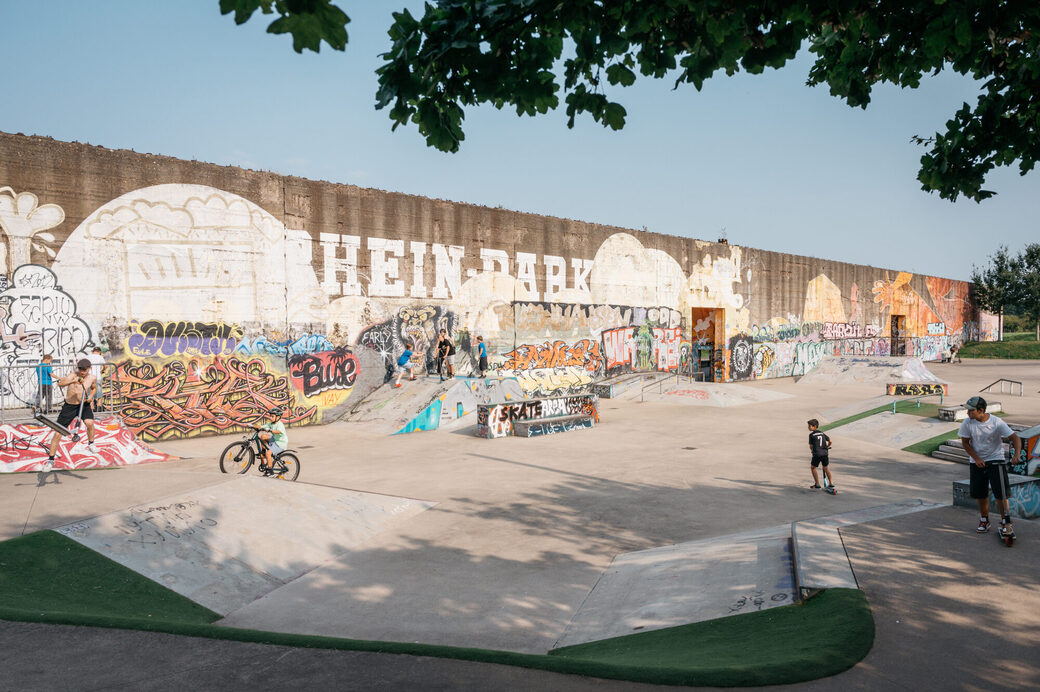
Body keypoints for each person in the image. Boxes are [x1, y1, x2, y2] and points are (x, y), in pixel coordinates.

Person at [960, 396, 1022, 538]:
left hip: (996, 459)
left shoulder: (996, 422)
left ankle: (1005, 521)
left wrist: (1016, 454)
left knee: (1001, 493)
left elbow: (1015, 438)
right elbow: (965, 443)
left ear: (981, 410)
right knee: (980, 493)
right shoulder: (967, 423)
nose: (967, 413)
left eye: (971, 411)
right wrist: (976, 458)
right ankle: (984, 520)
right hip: (977, 461)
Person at [43, 358, 99, 471]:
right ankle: (50, 460)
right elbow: (60, 383)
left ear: (89, 369)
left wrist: (91, 397)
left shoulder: (92, 378)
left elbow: (94, 388)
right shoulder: (72, 375)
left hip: (84, 405)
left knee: (89, 422)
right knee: (58, 433)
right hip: (69, 406)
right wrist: (73, 381)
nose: (82, 372)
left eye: (84, 370)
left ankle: (91, 443)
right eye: (80, 369)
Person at [257, 407, 288, 474]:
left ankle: (270, 471)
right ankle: (263, 452)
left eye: (272, 416)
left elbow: (278, 431)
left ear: (278, 417)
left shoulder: (280, 424)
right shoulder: (271, 424)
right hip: (274, 440)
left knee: (268, 453)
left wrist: (270, 430)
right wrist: (253, 426)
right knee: (263, 436)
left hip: (280, 444)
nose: (270, 418)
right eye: (270, 416)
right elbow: (263, 426)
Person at [807, 419, 834, 490]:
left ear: (814, 426)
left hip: (817, 454)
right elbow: (830, 441)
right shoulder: (822, 433)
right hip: (825, 453)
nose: (808, 427)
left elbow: (811, 446)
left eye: (810, 426)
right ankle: (831, 483)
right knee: (826, 467)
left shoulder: (811, 435)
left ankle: (817, 484)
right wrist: (827, 447)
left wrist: (812, 451)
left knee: (813, 467)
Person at [87, 346, 106, 411]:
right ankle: (99, 405)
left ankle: (91, 406)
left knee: (90, 391)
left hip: (89, 377)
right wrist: (102, 371)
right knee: (99, 390)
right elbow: (104, 365)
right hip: (97, 376)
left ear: (93, 351)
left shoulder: (88, 356)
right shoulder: (100, 357)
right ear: (100, 352)